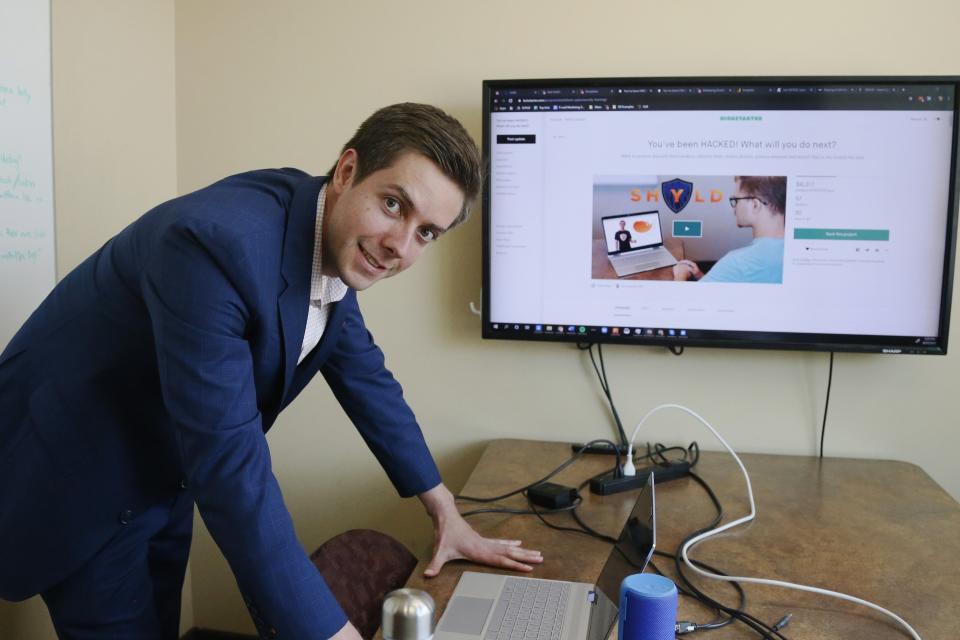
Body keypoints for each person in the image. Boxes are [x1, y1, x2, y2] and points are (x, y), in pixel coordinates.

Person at [0, 103, 542, 640]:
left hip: (162, 466)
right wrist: (329, 632)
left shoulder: (326, 237)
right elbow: (232, 468)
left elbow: (365, 377)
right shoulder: (216, 245)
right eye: (394, 205)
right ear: (348, 171)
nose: (399, 246)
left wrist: (444, 508)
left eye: (427, 233)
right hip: (77, 469)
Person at [672, 176, 786, 283]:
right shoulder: (791, 252)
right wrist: (706, 278)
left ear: (755, 205)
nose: (734, 209)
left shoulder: (737, 263)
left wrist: (680, 275)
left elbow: (680, 301)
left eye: (736, 200)